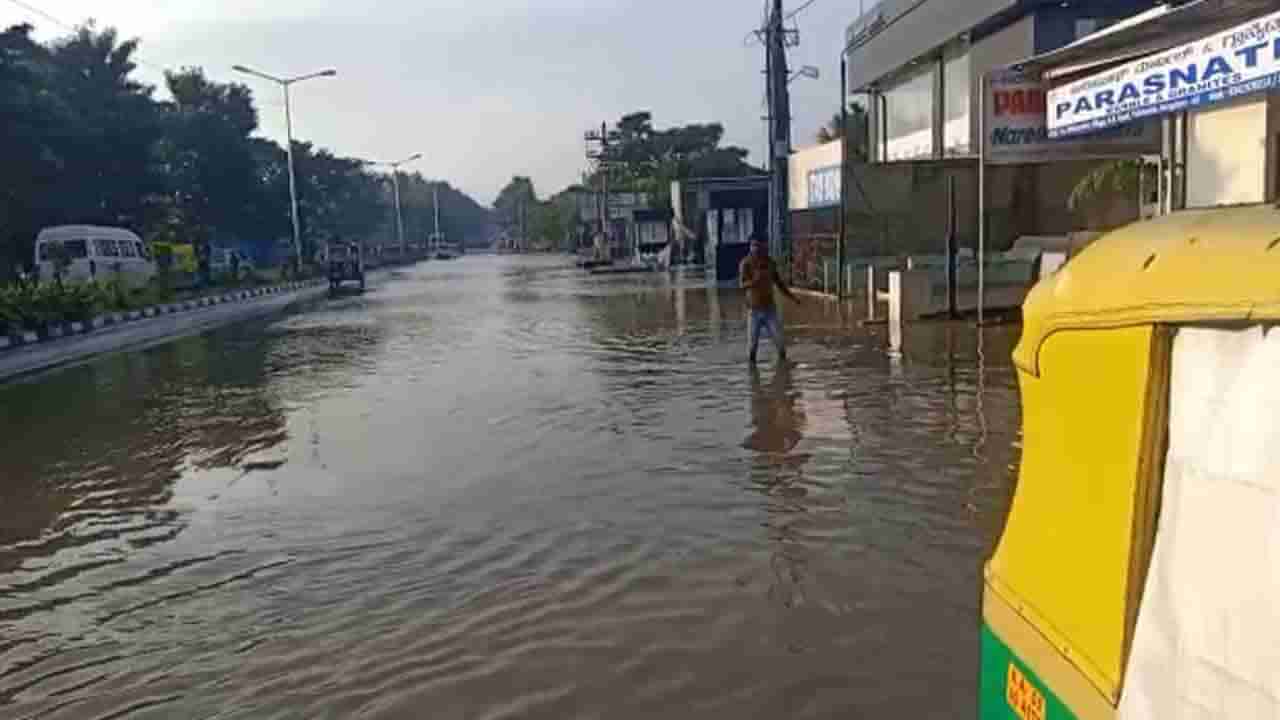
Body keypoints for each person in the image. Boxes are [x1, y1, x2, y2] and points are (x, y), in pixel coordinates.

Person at [739, 235, 799, 364]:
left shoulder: (770, 263)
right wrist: (755, 281)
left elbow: (779, 283)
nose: (755, 249)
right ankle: (753, 379)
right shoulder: (746, 263)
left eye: (758, 246)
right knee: (752, 350)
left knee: (781, 346)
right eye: (753, 246)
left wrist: (793, 298)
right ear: (750, 247)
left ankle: (783, 372)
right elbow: (742, 285)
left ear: (764, 246)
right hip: (753, 311)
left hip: (770, 310)